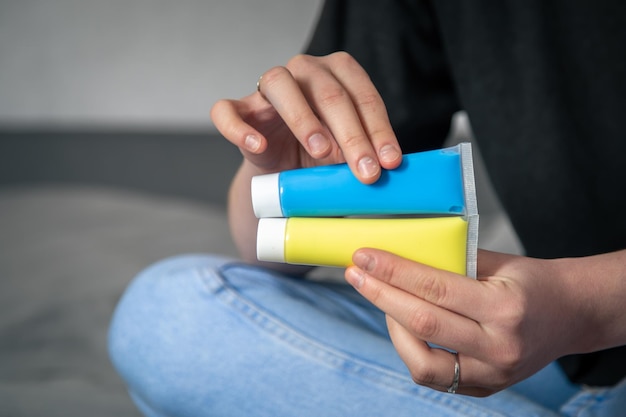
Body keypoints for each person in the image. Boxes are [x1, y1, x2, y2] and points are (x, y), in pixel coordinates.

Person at [109, 1, 626, 416]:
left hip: (566, 340)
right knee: (168, 314)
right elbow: (263, 253)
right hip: (556, 369)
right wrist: (278, 175)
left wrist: (585, 306)